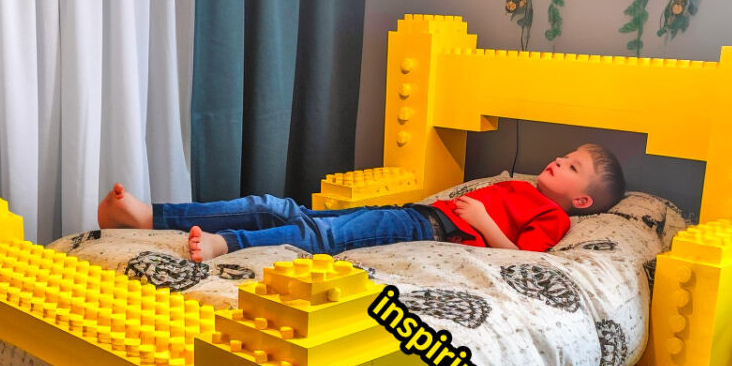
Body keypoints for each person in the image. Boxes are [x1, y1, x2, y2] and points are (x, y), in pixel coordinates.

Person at [98, 143, 625, 262]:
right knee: (280, 207)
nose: (558, 161)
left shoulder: (552, 214)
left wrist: (484, 221)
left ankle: (223, 244)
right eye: (565, 155)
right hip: (418, 214)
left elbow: (525, 259)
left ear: (581, 198)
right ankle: (149, 218)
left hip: (430, 232)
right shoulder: (523, 184)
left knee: (320, 237)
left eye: (572, 167)